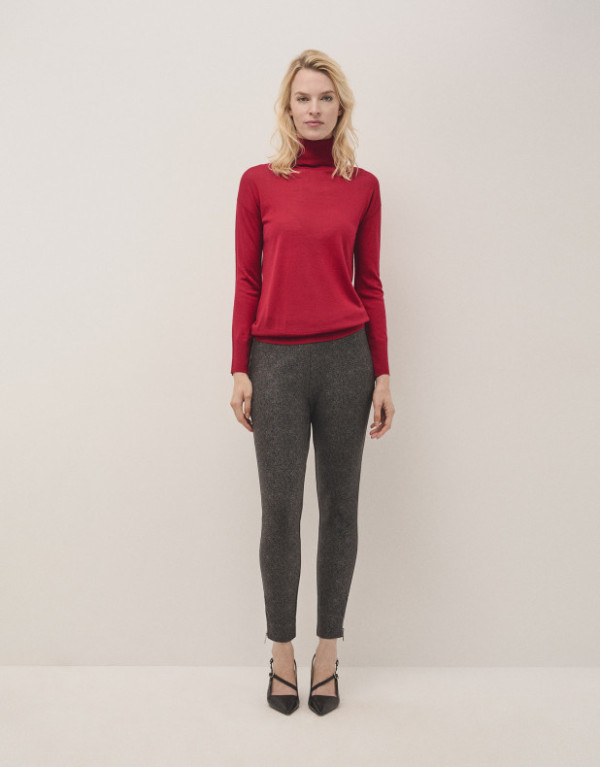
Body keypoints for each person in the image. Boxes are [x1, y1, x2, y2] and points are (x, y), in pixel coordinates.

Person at [230, 49, 395, 715]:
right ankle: (281, 652)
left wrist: (382, 372)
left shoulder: (364, 186)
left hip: (346, 362)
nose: (315, 108)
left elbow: (370, 283)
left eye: (326, 97)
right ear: (288, 106)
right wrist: (238, 365)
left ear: (341, 107)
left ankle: (327, 651)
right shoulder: (258, 183)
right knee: (280, 511)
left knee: (340, 508)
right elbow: (246, 279)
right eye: (303, 97)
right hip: (274, 363)